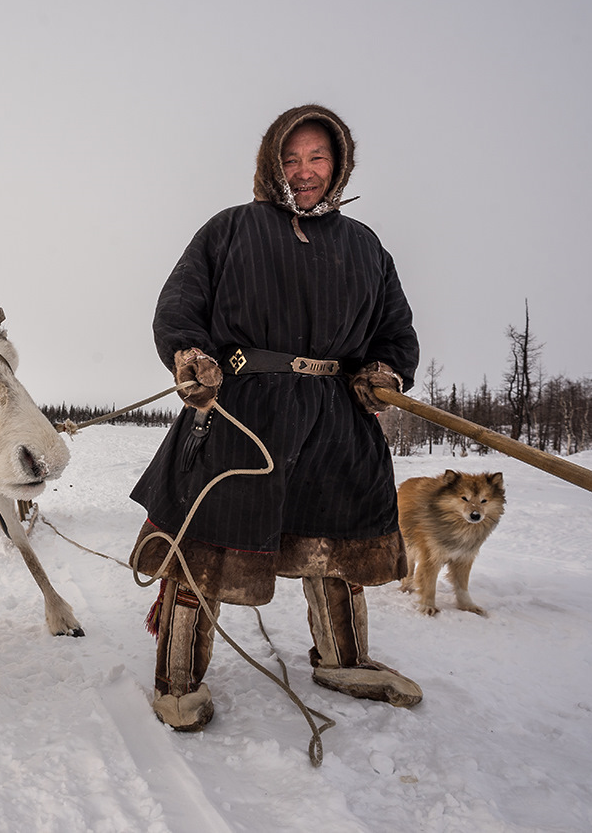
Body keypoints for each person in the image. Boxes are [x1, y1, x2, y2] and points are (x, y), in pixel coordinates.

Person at [129, 104, 421, 732]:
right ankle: (178, 679)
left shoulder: (365, 245)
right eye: (291, 158)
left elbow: (395, 328)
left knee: (339, 539)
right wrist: (190, 354)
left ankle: (344, 659)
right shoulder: (231, 229)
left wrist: (386, 372)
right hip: (241, 406)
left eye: (317, 158)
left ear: (338, 165)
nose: (305, 170)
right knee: (204, 540)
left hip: (337, 415)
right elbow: (180, 302)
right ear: (271, 164)